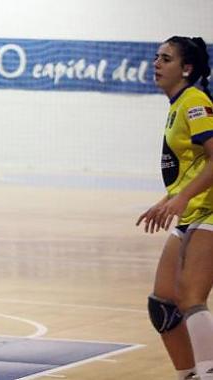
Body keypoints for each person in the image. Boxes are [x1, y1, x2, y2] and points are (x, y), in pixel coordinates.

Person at [136, 36, 213, 380]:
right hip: (192, 213)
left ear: (186, 68)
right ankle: (189, 376)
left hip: (209, 211)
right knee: (163, 306)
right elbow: (194, 167)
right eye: (156, 57)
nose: (156, 63)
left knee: (191, 298)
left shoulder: (195, 102)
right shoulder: (178, 104)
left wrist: (181, 198)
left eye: (165, 59)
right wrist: (169, 199)